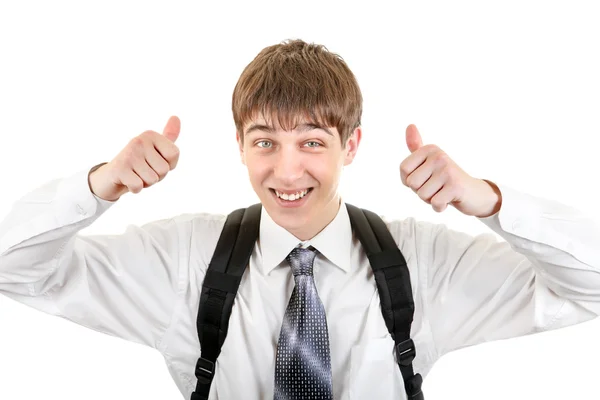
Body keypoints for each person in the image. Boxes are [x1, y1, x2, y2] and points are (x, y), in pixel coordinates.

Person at [0, 38, 598, 400]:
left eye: (312, 142)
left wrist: (490, 201)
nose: (286, 173)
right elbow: (13, 268)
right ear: (238, 143)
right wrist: (98, 184)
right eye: (265, 142)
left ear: (353, 144)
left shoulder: (420, 261)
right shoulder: (184, 258)